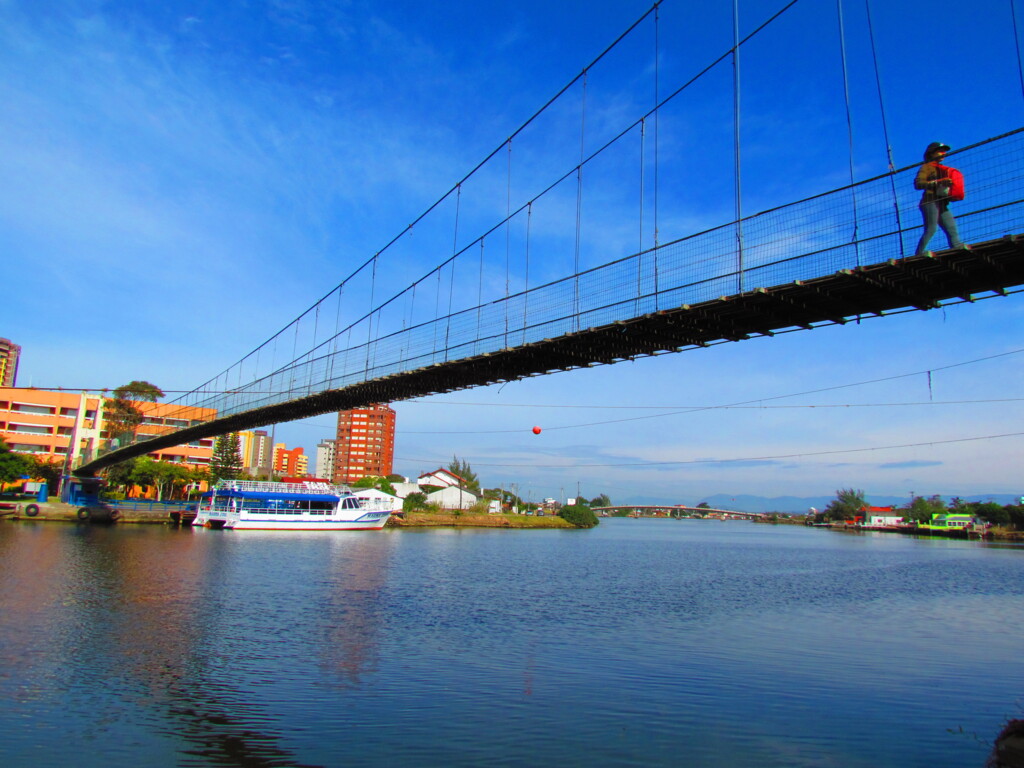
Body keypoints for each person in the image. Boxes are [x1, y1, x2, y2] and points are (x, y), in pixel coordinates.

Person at [914, 141, 965, 255]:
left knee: (951, 227)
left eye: (944, 152)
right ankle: (919, 253)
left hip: (942, 202)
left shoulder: (943, 169)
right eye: (940, 151)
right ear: (932, 154)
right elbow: (918, 184)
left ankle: (957, 247)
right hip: (930, 201)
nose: (943, 154)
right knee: (931, 229)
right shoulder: (926, 167)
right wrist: (938, 182)